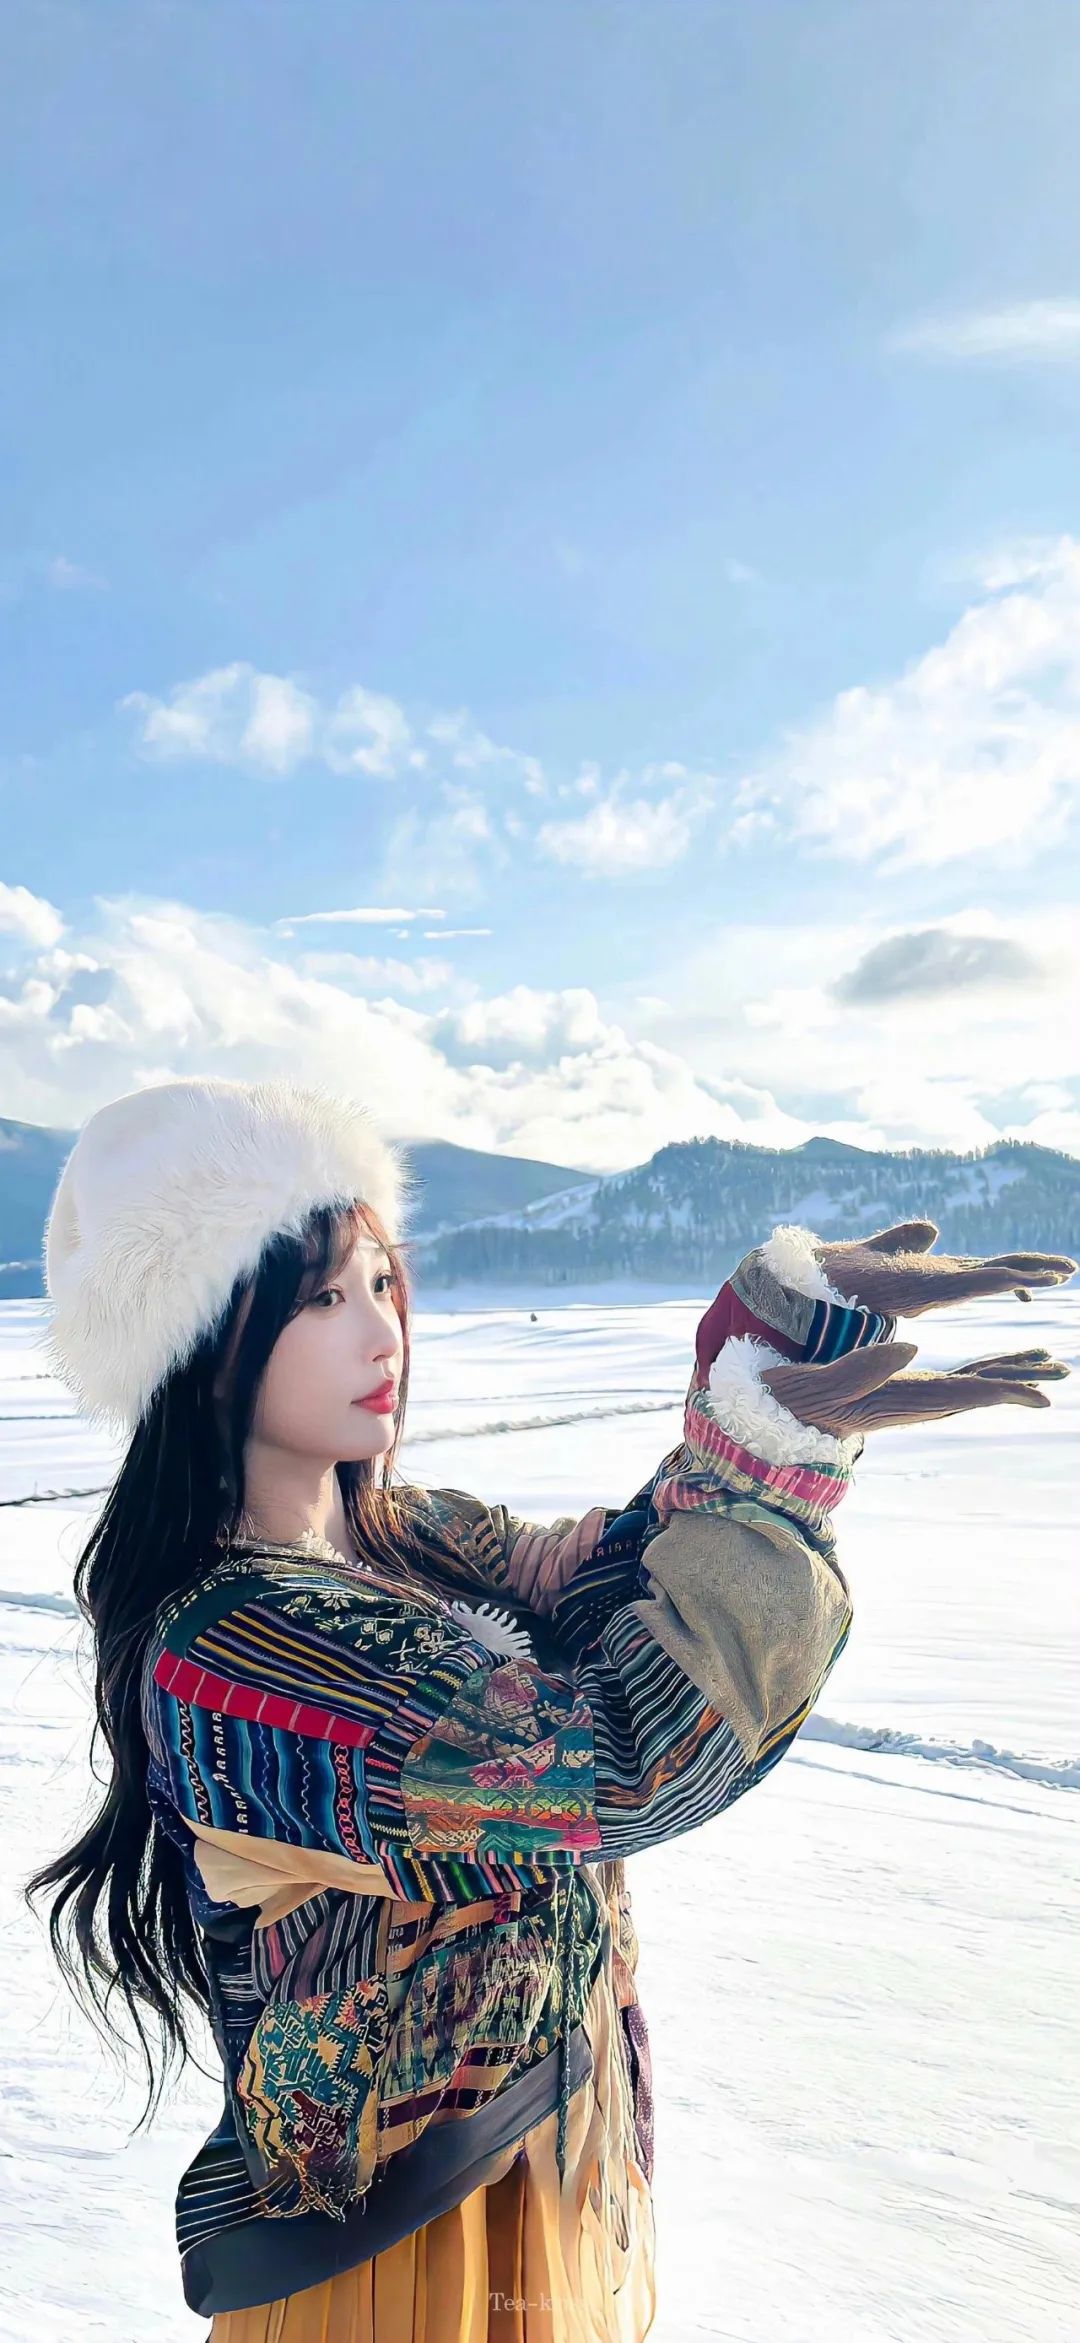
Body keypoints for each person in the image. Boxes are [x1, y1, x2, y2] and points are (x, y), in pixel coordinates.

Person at [26, 1075, 1074, 2343]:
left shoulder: (409, 1534)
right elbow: (622, 1754)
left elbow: (607, 1585)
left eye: (382, 1281)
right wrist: (763, 1471)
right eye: (321, 1299)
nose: (382, 1333)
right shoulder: (238, 1652)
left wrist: (762, 1356)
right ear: (196, 1344)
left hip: (540, 2166)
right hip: (400, 2249)